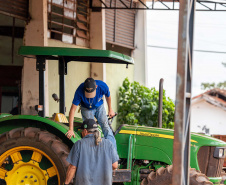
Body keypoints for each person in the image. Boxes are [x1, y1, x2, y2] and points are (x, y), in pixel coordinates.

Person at [66, 77, 117, 149]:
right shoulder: (79, 90)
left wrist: (110, 109)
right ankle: (93, 151)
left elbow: (108, 96)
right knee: (90, 130)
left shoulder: (102, 86)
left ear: (96, 87)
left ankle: (112, 152)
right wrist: (71, 129)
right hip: (86, 108)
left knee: (105, 126)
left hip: (99, 106)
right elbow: (72, 110)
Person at [64, 119, 119, 185]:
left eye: (82, 131)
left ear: (85, 131)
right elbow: (115, 165)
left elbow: (72, 167)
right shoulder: (108, 144)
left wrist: (66, 183)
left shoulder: (79, 144)